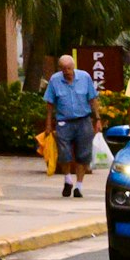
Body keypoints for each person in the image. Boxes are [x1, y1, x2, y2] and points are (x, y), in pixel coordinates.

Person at [44, 52, 100, 199]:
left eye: (69, 68)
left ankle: (79, 186)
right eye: (63, 69)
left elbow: (93, 99)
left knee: (83, 155)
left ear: (73, 67)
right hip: (64, 122)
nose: (67, 72)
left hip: (84, 121)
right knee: (64, 153)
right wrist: (48, 125)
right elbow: (50, 104)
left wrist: (98, 119)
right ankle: (68, 179)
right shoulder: (55, 80)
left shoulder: (85, 77)